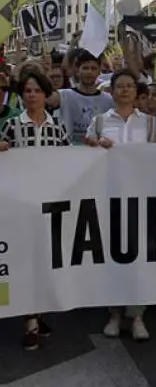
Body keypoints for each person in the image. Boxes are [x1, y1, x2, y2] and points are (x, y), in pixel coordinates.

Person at [84, 69, 156, 341]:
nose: (125, 90)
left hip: (141, 196)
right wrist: (92, 146)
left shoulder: (150, 124)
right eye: (120, 86)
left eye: (129, 86)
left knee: (139, 257)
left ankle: (137, 315)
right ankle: (114, 314)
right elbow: (86, 157)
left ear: (137, 92)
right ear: (112, 91)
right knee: (112, 256)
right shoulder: (100, 121)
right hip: (108, 195)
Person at [0, 70, 70, 350]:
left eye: (36, 90)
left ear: (45, 94)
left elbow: (70, 163)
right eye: (26, 91)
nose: (31, 95)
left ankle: (38, 313)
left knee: (45, 261)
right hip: (20, 207)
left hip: (49, 205)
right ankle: (30, 320)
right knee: (24, 262)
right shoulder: (12, 126)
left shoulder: (57, 127)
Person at [48, 49, 115, 145]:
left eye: (93, 68)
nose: (89, 72)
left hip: (98, 152)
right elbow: (42, 100)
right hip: (71, 151)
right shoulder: (63, 95)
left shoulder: (109, 100)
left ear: (99, 72)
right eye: (85, 68)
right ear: (77, 71)